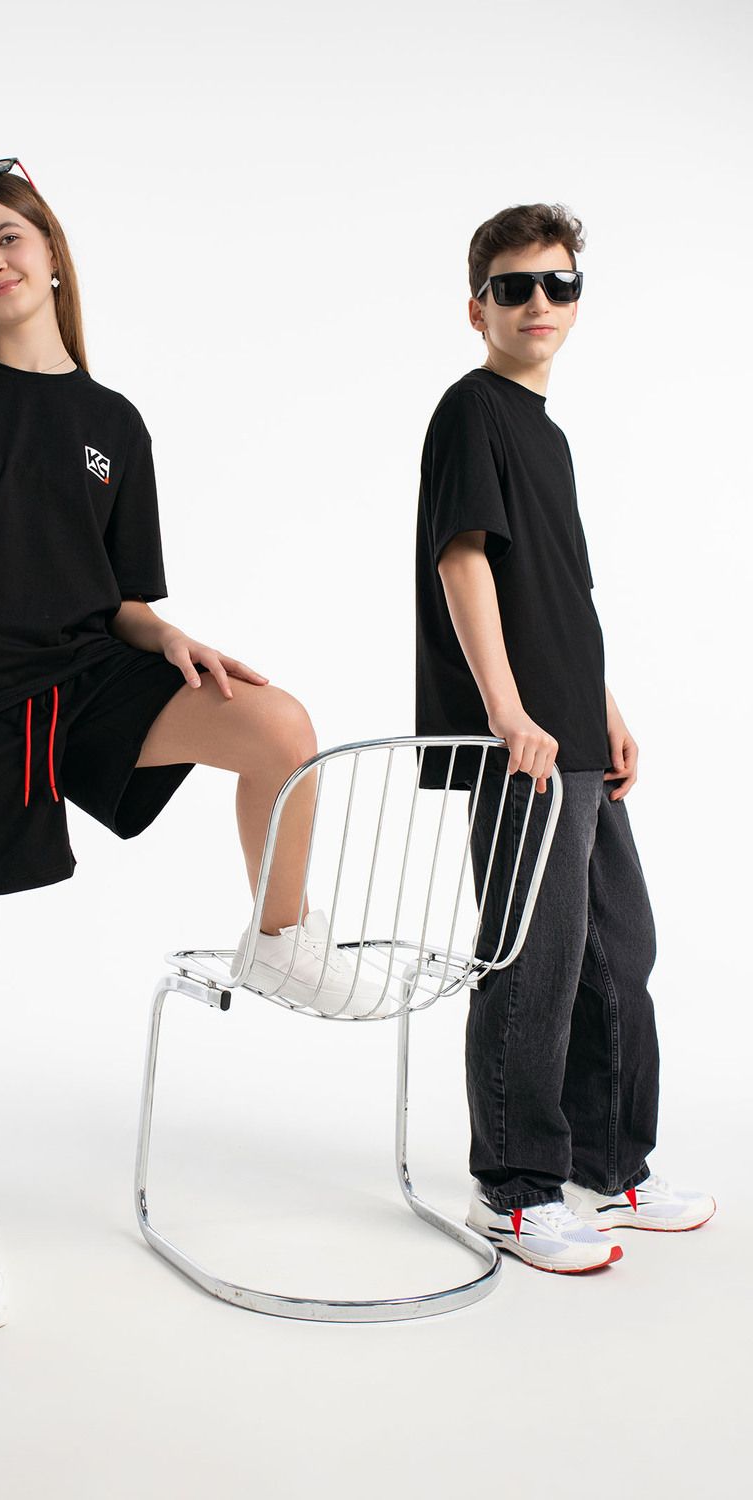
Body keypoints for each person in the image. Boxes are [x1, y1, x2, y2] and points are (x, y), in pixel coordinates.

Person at [0, 158, 379, 1333]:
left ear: (50, 251)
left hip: (84, 678)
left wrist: (167, 633)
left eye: (5, 239)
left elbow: (118, 594)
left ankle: (278, 938)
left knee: (277, 725)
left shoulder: (112, 423)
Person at [414, 201, 715, 1274]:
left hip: (574, 732)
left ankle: (609, 1166)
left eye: (558, 284)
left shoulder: (546, 433)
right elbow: (463, 561)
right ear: (478, 308)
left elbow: (560, 595)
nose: (538, 301)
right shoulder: (472, 411)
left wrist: (606, 708)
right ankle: (513, 1189)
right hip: (522, 743)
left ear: (577, 302)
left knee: (617, 954)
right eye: (514, 287)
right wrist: (506, 711)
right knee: (531, 965)